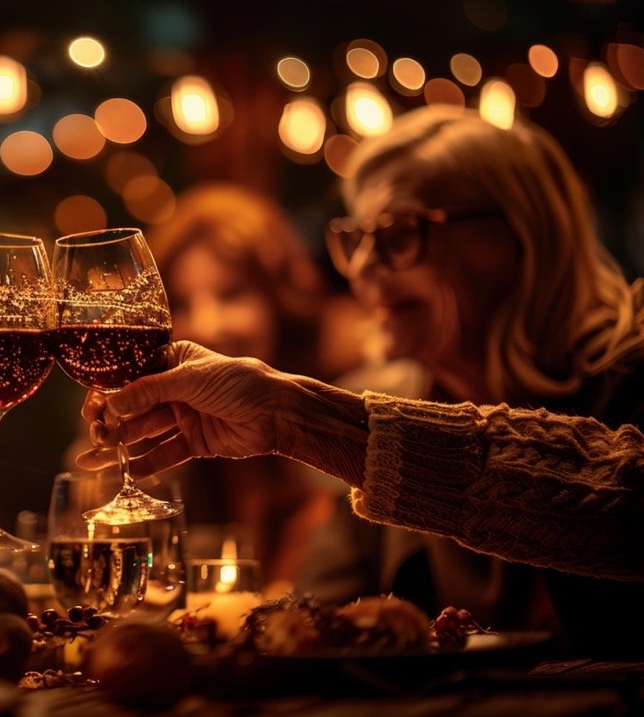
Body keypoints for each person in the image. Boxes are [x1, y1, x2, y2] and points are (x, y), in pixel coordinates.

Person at [78, 106, 644, 655]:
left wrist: (301, 421)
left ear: (520, 235)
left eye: (399, 233)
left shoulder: (632, 370)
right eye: (357, 237)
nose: (365, 267)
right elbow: (313, 613)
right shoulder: (393, 398)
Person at [145, 184, 366, 591]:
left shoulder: (350, 411)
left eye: (231, 295)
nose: (208, 326)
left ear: (280, 297)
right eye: (182, 302)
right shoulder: (158, 430)